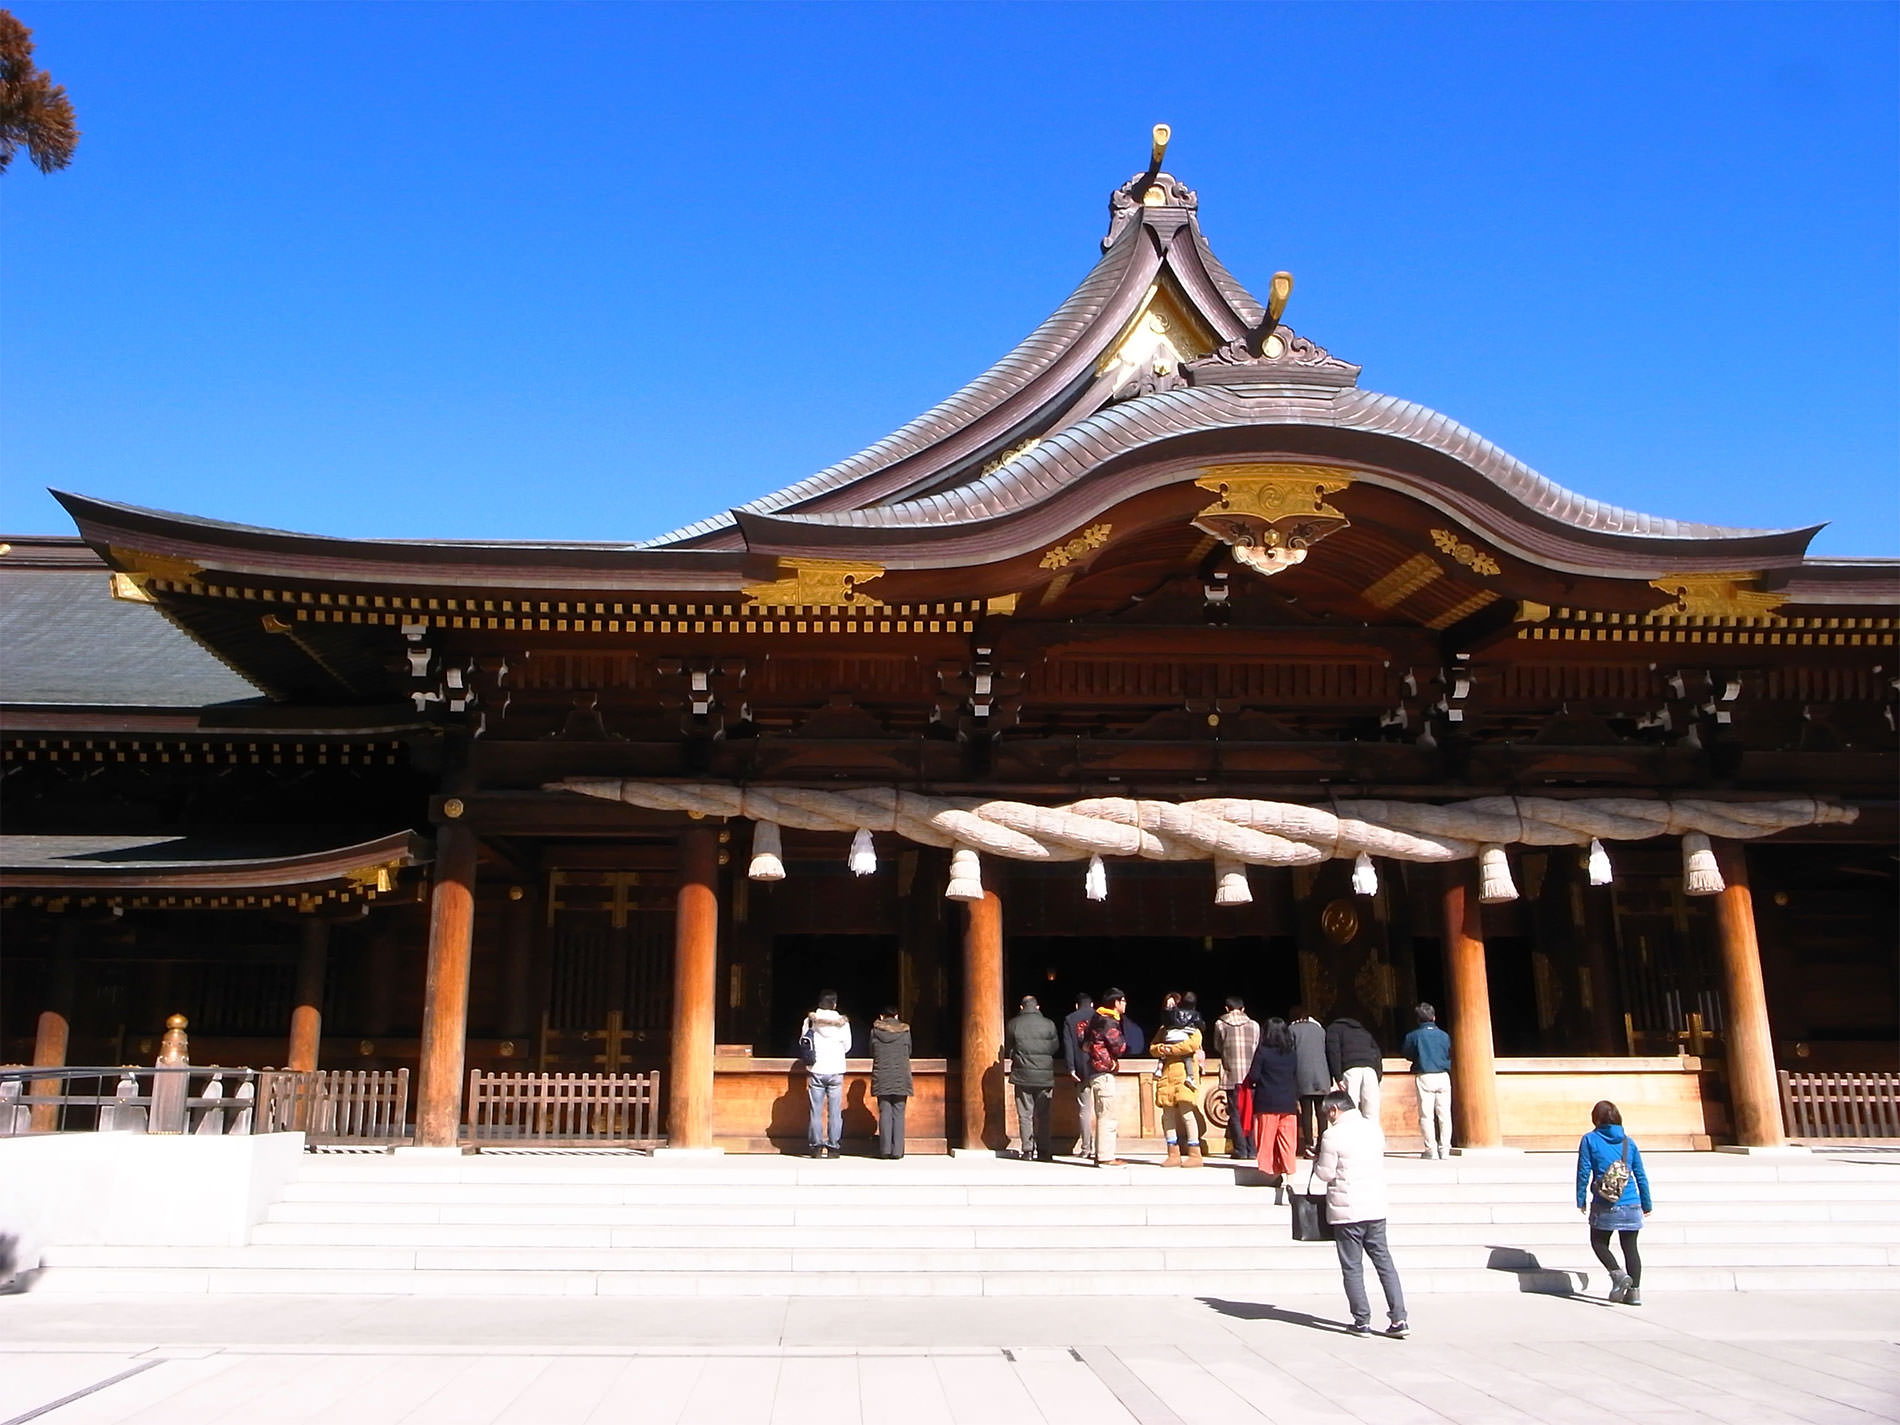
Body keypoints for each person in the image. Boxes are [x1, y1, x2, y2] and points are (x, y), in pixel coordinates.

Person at [1313, 1088, 1409, 1338]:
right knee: (1384, 1262)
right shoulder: (1373, 1128)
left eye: (1328, 1113)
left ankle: (1361, 1320)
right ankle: (1399, 1318)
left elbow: (1325, 1173)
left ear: (1334, 1110)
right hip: (1375, 1206)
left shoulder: (1332, 1135)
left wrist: (1315, 1161)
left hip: (1347, 1210)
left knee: (1352, 1267)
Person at [1577, 1099, 1653, 1305]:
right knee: (1630, 1247)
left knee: (1599, 1242)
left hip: (1606, 1204)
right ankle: (1634, 1293)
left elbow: (1584, 1171)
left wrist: (1581, 1198)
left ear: (1596, 1118)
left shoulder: (1590, 1140)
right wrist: (1646, 1203)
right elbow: (1640, 1174)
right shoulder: (1629, 1142)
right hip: (1631, 1202)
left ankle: (1617, 1274)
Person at [1244, 1017, 1299, 1202]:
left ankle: (1269, 1172)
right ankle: (1290, 1174)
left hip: (1267, 1102)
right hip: (1288, 1103)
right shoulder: (1291, 1053)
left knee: (1266, 1139)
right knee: (1287, 1141)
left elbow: (1254, 1076)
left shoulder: (1263, 1052)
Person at [1005, 994, 1060, 1162]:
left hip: (1023, 1075)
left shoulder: (1013, 1024)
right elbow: (1054, 1047)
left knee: (1025, 1114)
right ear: (1038, 1007)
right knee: (1043, 1115)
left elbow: (1009, 1048)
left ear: (1021, 1007)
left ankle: (1027, 1150)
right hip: (1044, 1076)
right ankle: (1044, 1150)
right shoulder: (1049, 1024)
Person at [1078, 988, 1130, 1166]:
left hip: (1094, 1070)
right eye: (1123, 1001)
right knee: (1107, 1114)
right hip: (1104, 1071)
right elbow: (1119, 1047)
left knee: (1102, 1113)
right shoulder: (1108, 1022)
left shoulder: (1096, 1018)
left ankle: (1101, 1154)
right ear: (1115, 1003)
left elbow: (1084, 1043)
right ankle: (1106, 1157)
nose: (1125, 1004)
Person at [799, 991, 852, 1159]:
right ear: (835, 1004)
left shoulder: (810, 1021)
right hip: (836, 1068)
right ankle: (834, 1147)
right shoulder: (842, 1023)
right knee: (835, 1111)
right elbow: (847, 1046)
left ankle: (815, 1146)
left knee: (816, 1110)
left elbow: (803, 1041)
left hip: (816, 1068)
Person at [1152, 1002, 1205, 1167]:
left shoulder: (1193, 1029)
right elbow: (1153, 1048)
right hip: (1167, 1073)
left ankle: (1195, 1153)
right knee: (1167, 1115)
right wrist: (1163, 1049)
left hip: (1185, 1073)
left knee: (1187, 1113)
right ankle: (1172, 1152)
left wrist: (1170, 1050)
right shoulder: (1163, 1030)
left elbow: (1192, 1045)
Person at [1401, 1003, 1453, 1160]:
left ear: (1418, 1019)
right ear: (1434, 1017)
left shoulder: (1413, 1036)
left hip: (1425, 1075)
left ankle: (1431, 1149)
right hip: (1443, 1075)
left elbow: (1407, 1053)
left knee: (1426, 1115)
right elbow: (1449, 1052)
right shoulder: (1444, 1035)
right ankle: (1445, 1149)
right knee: (1444, 1115)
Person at [1214, 996, 1261, 1159]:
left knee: (1235, 1113)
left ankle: (1241, 1150)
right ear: (1243, 1009)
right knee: (1251, 1112)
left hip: (1231, 1075)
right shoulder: (1254, 1025)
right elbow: (1256, 1046)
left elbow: (1217, 1046)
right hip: (1251, 1076)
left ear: (1227, 1009)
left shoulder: (1220, 1024)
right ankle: (1253, 1149)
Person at [869, 1005, 912, 1160]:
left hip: (882, 1076)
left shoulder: (875, 1032)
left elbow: (872, 1052)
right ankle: (897, 1151)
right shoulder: (905, 1031)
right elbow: (909, 1051)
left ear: (882, 1016)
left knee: (884, 1112)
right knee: (899, 1113)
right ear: (896, 1016)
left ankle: (885, 1150)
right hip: (901, 1076)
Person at [1326, 1014, 1384, 1126]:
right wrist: (1378, 1075)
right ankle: (1373, 1138)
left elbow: (1334, 1053)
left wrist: (1337, 1077)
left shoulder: (1334, 1029)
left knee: (1349, 1110)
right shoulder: (1364, 1031)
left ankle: (1351, 1138)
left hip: (1351, 1070)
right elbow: (1377, 1053)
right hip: (1370, 1070)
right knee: (1371, 1110)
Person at [1288, 1007, 1331, 1157]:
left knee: (1306, 1111)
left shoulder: (1291, 1030)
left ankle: (1308, 1144)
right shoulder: (1320, 1030)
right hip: (1321, 1074)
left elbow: (1290, 1052)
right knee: (1322, 1112)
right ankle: (1322, 1144)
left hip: (1302, 1073)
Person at [1063, 992, 1095, 1158]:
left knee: (1084, 1110)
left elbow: (1068, 1046)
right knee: (1103, 1110)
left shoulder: (1070, 1019)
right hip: (1099, 1069)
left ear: (1076, 1005)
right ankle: (1103, 1148)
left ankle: (1086, 1148)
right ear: (1092, 1004)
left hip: (1082, 1070)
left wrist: (1071, 1068)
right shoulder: (1099, 1017)